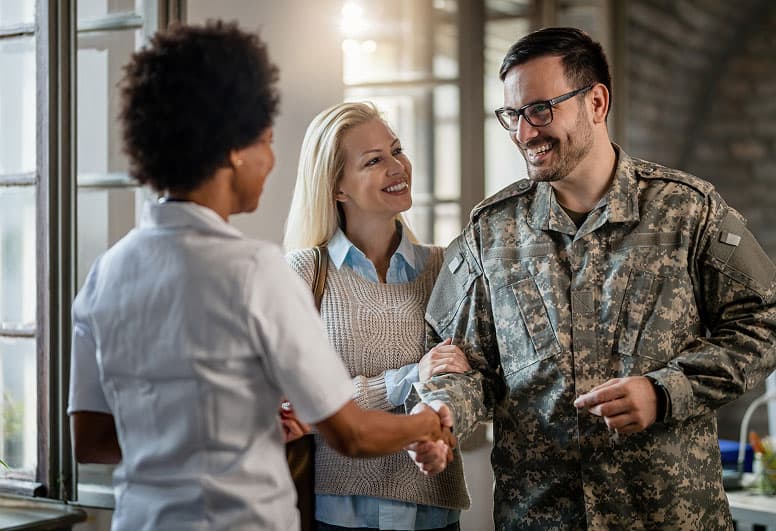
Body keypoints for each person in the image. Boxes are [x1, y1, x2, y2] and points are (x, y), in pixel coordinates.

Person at [66, 22, 454, 531]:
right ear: (234, 148)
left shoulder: (105, 273)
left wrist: (228, 430)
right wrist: (429, 423)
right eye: (266, 141)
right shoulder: (256, 271)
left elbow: (91, 442)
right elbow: (351, 434)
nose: (271, 162)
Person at [410, 26, 776, 529]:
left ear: (596, 102)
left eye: (540, 110)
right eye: (512, 115)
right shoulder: (490, 231)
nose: (524, 132)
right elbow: (466, 363)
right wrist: (444, 413)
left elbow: (764, 321)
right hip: (539, 517)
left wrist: (665, 390)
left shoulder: (687, 211)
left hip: (667, 517)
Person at [283, 101, 471, 531]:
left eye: (396, 150)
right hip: (338, 515)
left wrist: (444, 407)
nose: (397, 166)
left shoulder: (447, 268)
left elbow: (468, 385)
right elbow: (296, 406)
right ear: (337, 188)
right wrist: (407, 377)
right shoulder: (303, 272)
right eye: (373, 160)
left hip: (435, 512)